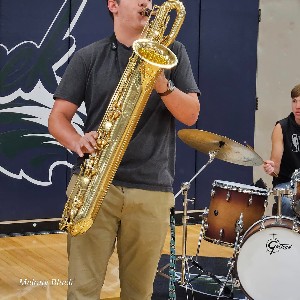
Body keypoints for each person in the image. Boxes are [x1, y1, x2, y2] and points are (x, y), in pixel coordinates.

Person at [48, 0, 200, 299]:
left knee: (138, 292)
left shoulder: (175, 53)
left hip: (151, 190)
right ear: (113, 5)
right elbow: (57, 118)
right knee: (81, 290)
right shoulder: (89, 56)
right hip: (94, 186)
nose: (146, 2)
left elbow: (191, 115)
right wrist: (76, 141)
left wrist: (160, 81)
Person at [263, 83, 300, 217]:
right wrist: (271, 169)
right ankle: (287, 236)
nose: (298, 106)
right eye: (294, 101)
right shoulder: (282, 127)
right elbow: (276, 168)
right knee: (287, 203)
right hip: (286, 184)